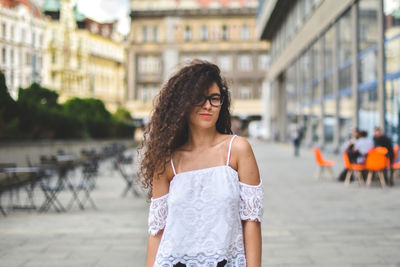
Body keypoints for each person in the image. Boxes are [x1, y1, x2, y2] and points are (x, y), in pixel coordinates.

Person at [138, 60, 264, 267]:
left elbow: (251, 221)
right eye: (200, 99)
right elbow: (157, 231)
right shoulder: (167, 161)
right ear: (182, 104)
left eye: (214, 98)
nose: (208, 105)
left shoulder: (238, 150)